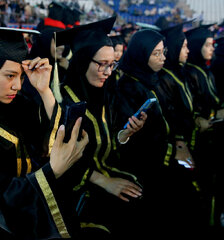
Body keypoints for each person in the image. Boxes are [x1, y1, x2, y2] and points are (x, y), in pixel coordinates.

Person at [0, 27, 89, 239]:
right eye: (10, 75)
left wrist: (45, 91)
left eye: (21, 76)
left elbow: (54, 139)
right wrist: (53, 171)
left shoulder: (18, 106)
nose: (17, 85)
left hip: (32, 210)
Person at [56, 16, 146, 239]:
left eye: (112, 64)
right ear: (83, 61)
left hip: (106, 174)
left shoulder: (106, 94)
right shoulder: (62, 103)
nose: (108, 72)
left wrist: (126, 133)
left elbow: (108, 144)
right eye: (102, 64)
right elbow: (59, 161)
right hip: (76, 190)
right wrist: (104, 181)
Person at [113, 29, 190, 237]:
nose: (163, 57)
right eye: (156, 53)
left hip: (160, 163)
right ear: (141, 53)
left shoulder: (148, 79)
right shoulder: (129, 86)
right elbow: (132, 137)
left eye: (163, 52)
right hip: (144, 171)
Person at [156, 22, 207, 234]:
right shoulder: (164, 78)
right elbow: (170, 115)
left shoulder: (181, 73)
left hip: (189, 141)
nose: (187, 50)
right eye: (183, 46)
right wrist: (180, 140)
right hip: (175, 150)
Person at [184, 24, 224, 232]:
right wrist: (213, 115)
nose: (212, 48)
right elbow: (195, 111)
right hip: (200, 143)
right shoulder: (190, 73)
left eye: (213, 44)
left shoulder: (204, 71)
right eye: (208, 45)